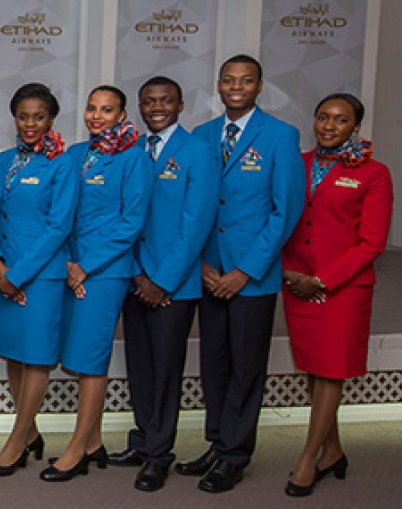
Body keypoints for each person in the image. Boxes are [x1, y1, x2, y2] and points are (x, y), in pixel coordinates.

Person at [182, 54, 305, 493]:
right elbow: (192, 204)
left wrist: (245, 271)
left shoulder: (279, 135)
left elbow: (284, 212)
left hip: (251, 278)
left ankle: (235, 455)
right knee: (213, 363)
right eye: (229, 80)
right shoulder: (203, 135)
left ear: (259, 86)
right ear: (219, 85)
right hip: (209, 272)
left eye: (246, 80)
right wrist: (203, 265)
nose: (237, 86)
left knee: (245, 366)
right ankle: (216, 443)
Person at [110, 76, 220, 492]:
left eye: (165, 101)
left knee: (165, 370)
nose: (156, 107)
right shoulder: (131, 149)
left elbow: (196, 224)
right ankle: (141, 441)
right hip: (134, 278)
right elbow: (124, 216)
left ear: (180, 104)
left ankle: (159, 454)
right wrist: (137, 274)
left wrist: (162, 281)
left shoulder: (198, 152)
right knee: (139, 366)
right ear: (138, 107)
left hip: (174, 285)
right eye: (149, 101)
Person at [280, 94, 392, 497]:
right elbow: (283, 216)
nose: (329, 126)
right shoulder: (299, 162)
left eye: (341, 120)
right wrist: (288, 273)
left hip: (341, 289)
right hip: (296, 282)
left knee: (330, 370)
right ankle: (334, 450)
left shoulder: (374, 173)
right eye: (323, 117)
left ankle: (309, 458)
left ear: (355, 127)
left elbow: (372, 243)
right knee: (313, 368)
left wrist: (323, 280)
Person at [42, 85, 152, 482]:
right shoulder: (74, 154)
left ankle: (76, 450)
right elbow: (62, 213)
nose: (96, 116)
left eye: (107, 110)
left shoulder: (134, 159)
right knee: (74, 353)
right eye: (91, 108)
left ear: (122, 116)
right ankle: (94, 441)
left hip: (104, 273)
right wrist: (69, 262)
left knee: (90, 360)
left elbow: (131, 222)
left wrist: (85, 266)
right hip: (70, 268)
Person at [0, 83, 78, 477]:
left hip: (40, 277)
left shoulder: (63, 163)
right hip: (3, 272)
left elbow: (59, 227)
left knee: (37, 356)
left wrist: (18, 275)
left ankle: (16, 440)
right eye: (23, 116)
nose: (29, 124)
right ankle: (33, 432)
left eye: (38, 117)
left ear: (51, 119)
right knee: (12, 352)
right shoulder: (2, 161)